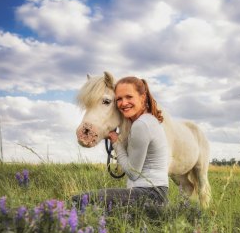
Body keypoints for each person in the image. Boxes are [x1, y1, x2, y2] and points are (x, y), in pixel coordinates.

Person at [72, 76, 168, 210]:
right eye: (119, 99)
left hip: (149, 194)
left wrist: (116, 143)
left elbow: (133, 173)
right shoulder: (148, 121)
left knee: (77, 201)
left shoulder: (141, 125)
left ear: (142, 97)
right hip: (154, 194)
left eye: (129, 97)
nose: (123, 103)